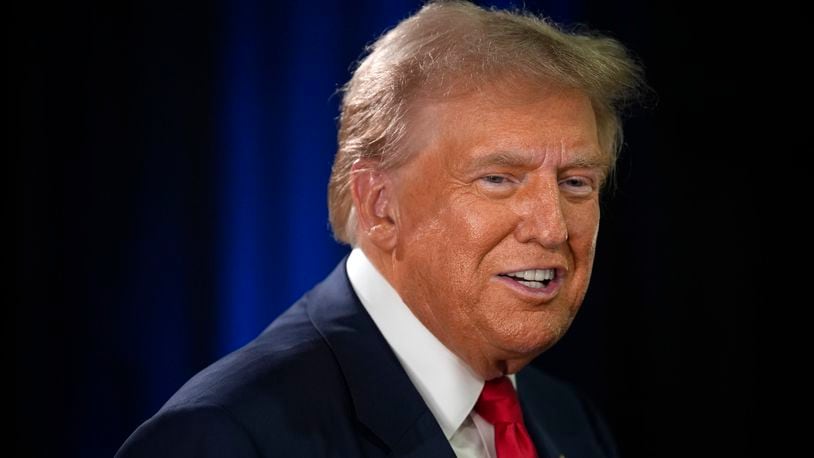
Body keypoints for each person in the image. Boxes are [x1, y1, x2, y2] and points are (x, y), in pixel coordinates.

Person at [117, 1, 644, 457]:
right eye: (499, 179)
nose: (552, 229)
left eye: (576, 182)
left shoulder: (567, 420)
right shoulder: (225, 439)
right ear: (380, 206)